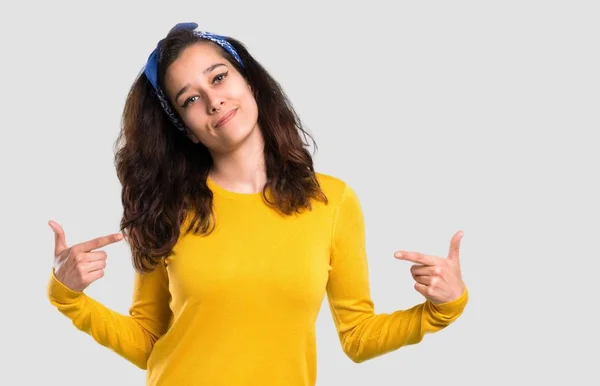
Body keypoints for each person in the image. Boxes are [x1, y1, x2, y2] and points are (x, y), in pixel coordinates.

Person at [46, 22, 469, 386]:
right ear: (187, 129)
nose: (213, 101)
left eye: (218, 78)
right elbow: (149, 341)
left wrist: (442, 307)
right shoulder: (168, 209)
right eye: (189, 99)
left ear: (248, 81)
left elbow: (358, 337)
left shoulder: (331, 201)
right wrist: (70, 297)